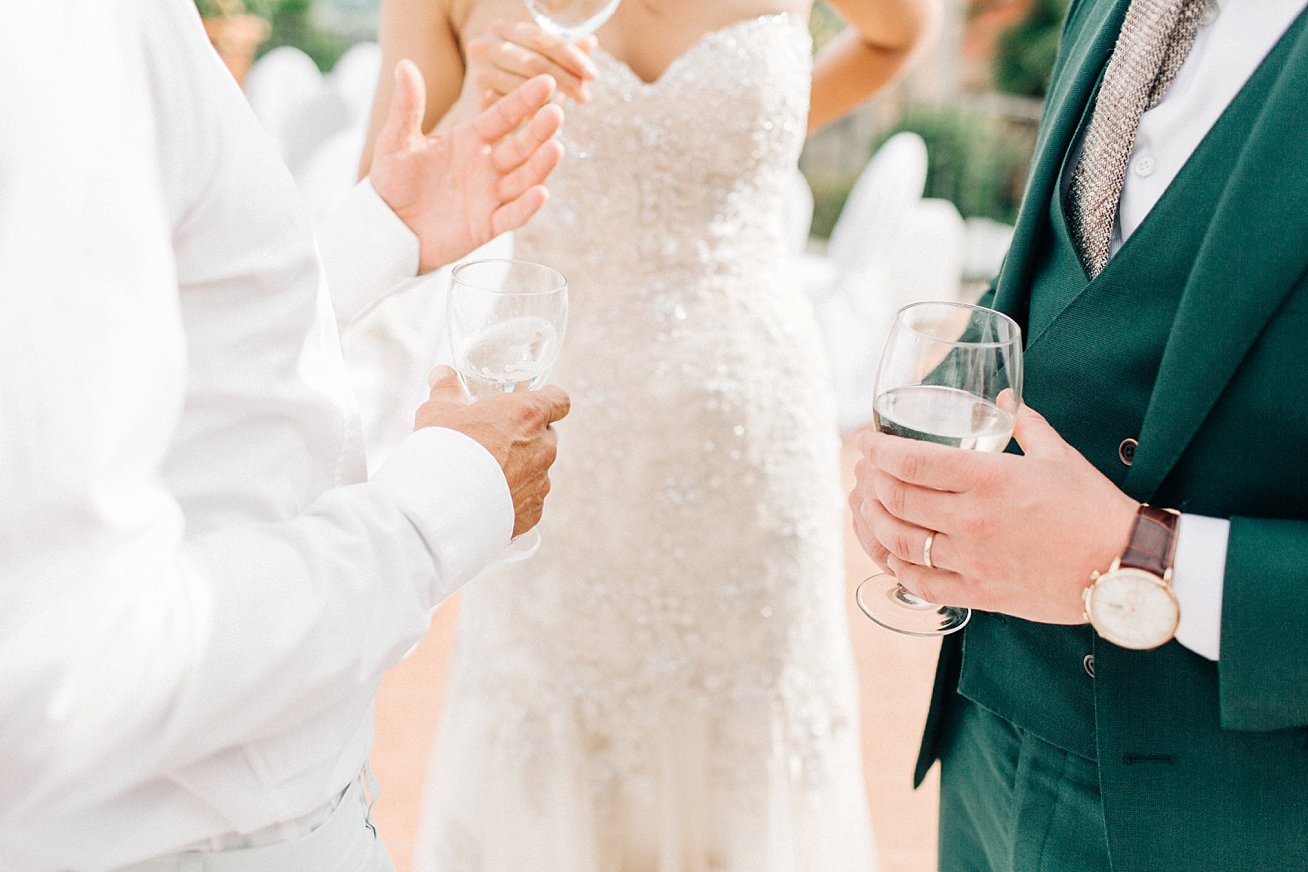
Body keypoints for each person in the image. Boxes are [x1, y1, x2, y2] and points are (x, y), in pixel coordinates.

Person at [360, 1, 937, 869]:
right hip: (554, 424)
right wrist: (481, 99)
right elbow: (387, 219)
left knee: (747, 719)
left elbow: (904, 31)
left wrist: (760, 133)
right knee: (551, 707)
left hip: (750, 422)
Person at [0, 1, 573, 869]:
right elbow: (67, 663)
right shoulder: (71, 27)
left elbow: (150, 375)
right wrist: (440, 507)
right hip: (203, 838)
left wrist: (375, 237)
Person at [850, 0, 1308, 868]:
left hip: (1235, 813)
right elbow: (1052, 287)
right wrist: (922, 461)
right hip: (987, 732)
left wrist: (1146, 561)